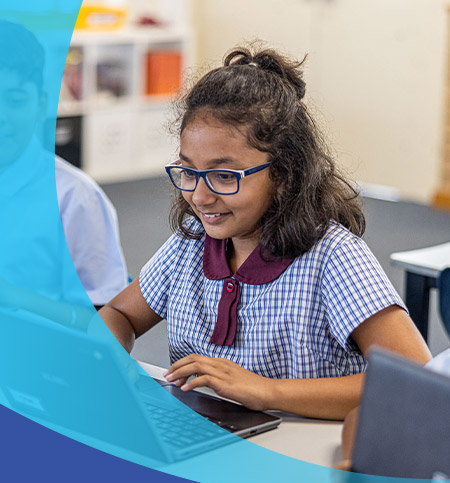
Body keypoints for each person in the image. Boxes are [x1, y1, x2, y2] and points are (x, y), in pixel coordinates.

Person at [100, 45, 430, 419]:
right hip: (210, 436)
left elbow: (417, 381)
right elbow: (119, 314)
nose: (200, 196)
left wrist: (267, 391)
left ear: (285, 176)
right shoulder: (193, 240)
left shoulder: (333, 257)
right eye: (188, 172)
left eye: (225, 176)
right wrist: (106, 363)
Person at [0, 20, 128, 309]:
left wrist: (15, 300)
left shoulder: (75, 199)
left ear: (41, 106)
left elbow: (107, 321)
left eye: (15, 100)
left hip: (35, 349)